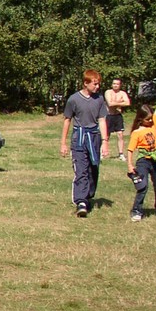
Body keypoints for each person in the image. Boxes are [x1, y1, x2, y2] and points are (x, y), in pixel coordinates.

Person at [60, 69, 110, 217]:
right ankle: (80, 201)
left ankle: (88, 196)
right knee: (81, 169)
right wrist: (63, 143)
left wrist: (105, 142)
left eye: (98, 84)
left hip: (94, 138)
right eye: (94, 84)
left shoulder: (99, 99)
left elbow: (102, 120)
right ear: (85, 83)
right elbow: (67, 120)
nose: (97, 87)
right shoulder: (74, 99)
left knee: (93, 169)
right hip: (79, 138)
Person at [126, 84, 156, 222]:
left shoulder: (153, 125)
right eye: (147, 119)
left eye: (151, 118)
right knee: (143, 186)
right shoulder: (137, 133)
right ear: (141, 119)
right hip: (143, 161)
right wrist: (130, 165)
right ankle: (136, 211)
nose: (150, 121)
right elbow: (130, 150)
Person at [104, 78, 131, 160]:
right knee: (106, 135)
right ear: (112, 84)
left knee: (120, 135)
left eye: (117, 84)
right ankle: (103, 153)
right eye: (114, 83)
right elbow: (110, 103)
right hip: (109, 116)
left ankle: (121, 154)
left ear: (120, 85)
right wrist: (121, 102)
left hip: (118, 116)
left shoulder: (122, 93)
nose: (115, 85)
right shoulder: (108, 92)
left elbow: (128, 103)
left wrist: (115, 102)